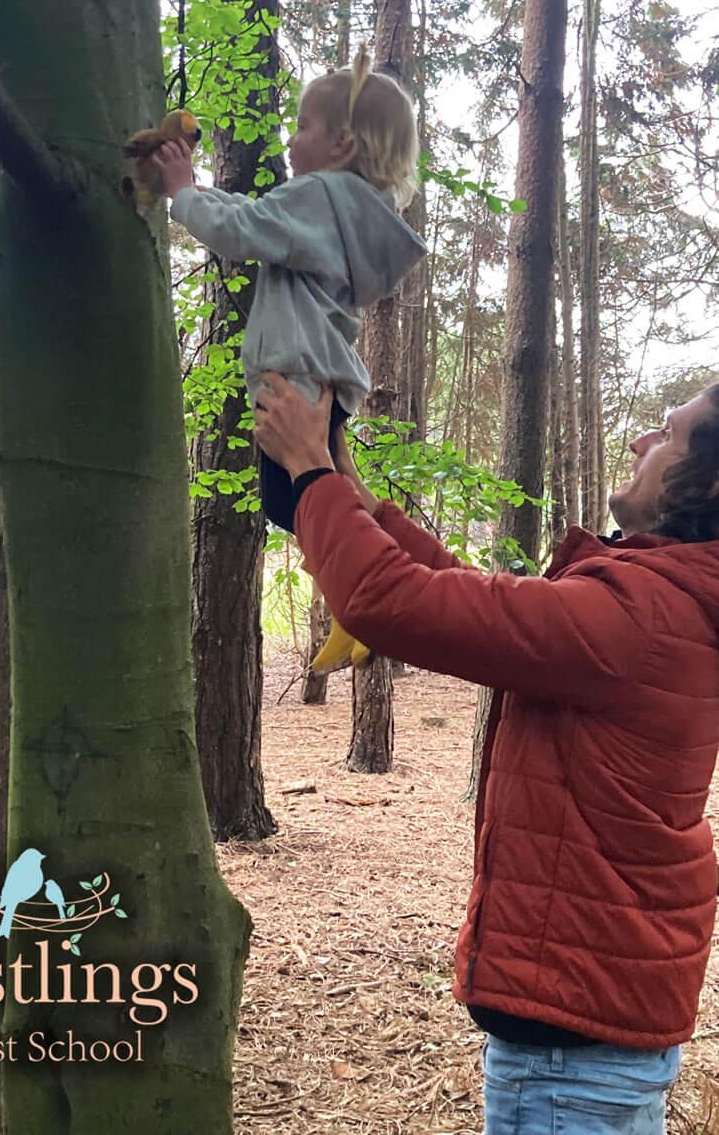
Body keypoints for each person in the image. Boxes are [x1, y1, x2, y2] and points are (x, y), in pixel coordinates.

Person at [252, 370, 719, 1135]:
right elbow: (481, 603)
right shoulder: (665, 600)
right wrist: (356, 500)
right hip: (594, 1032)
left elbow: (393, 605)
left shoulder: (641, 615)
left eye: (668, 434)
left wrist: (309, 475)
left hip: (572, 1060)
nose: (639, 440)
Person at [151, 46, 426, 671]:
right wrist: (193, 190)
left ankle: (358, 600)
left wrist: (183, 193)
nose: (292, 139)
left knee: (290, 499)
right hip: (321, 371)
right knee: (339, 487)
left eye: (304, 126)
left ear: (343, 143)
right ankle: (358, 601)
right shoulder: (355, 212)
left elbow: (242, 233)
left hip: (297, 376)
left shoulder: (319, 195)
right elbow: (257, 219)